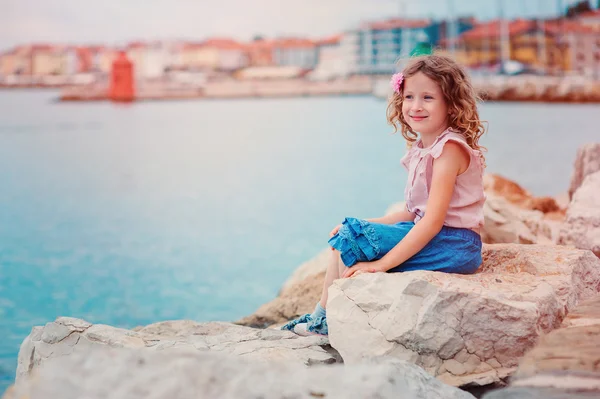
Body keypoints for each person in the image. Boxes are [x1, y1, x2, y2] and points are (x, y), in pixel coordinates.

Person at [282, 54, 487, 337]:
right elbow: (412, 212)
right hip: (436, 235)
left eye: (428, 98)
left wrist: (380, 266)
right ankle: (324, 316)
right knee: (346, 235)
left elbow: (432, 222)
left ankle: (324, 323)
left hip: (455, 244)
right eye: (409, 96)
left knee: (352, 241)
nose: (416, 106)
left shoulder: (449, 149)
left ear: (451, 105)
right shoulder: (423, 147)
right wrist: (366, 222)